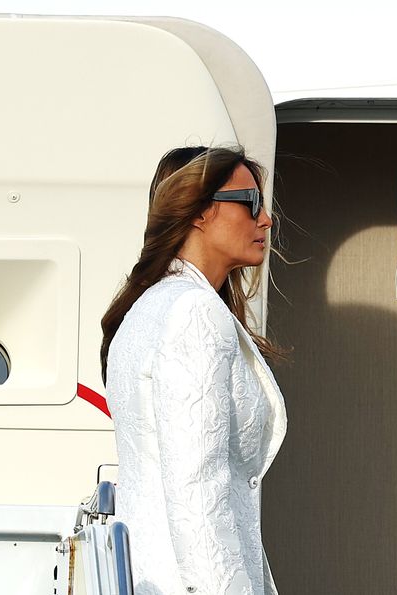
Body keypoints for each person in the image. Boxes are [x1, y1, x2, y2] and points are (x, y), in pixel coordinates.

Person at [102, 146, 287, 595]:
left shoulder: (148, 306)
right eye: (251, 203)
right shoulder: (193, 314)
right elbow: (197, 491)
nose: (266, 219)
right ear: (200, 211)